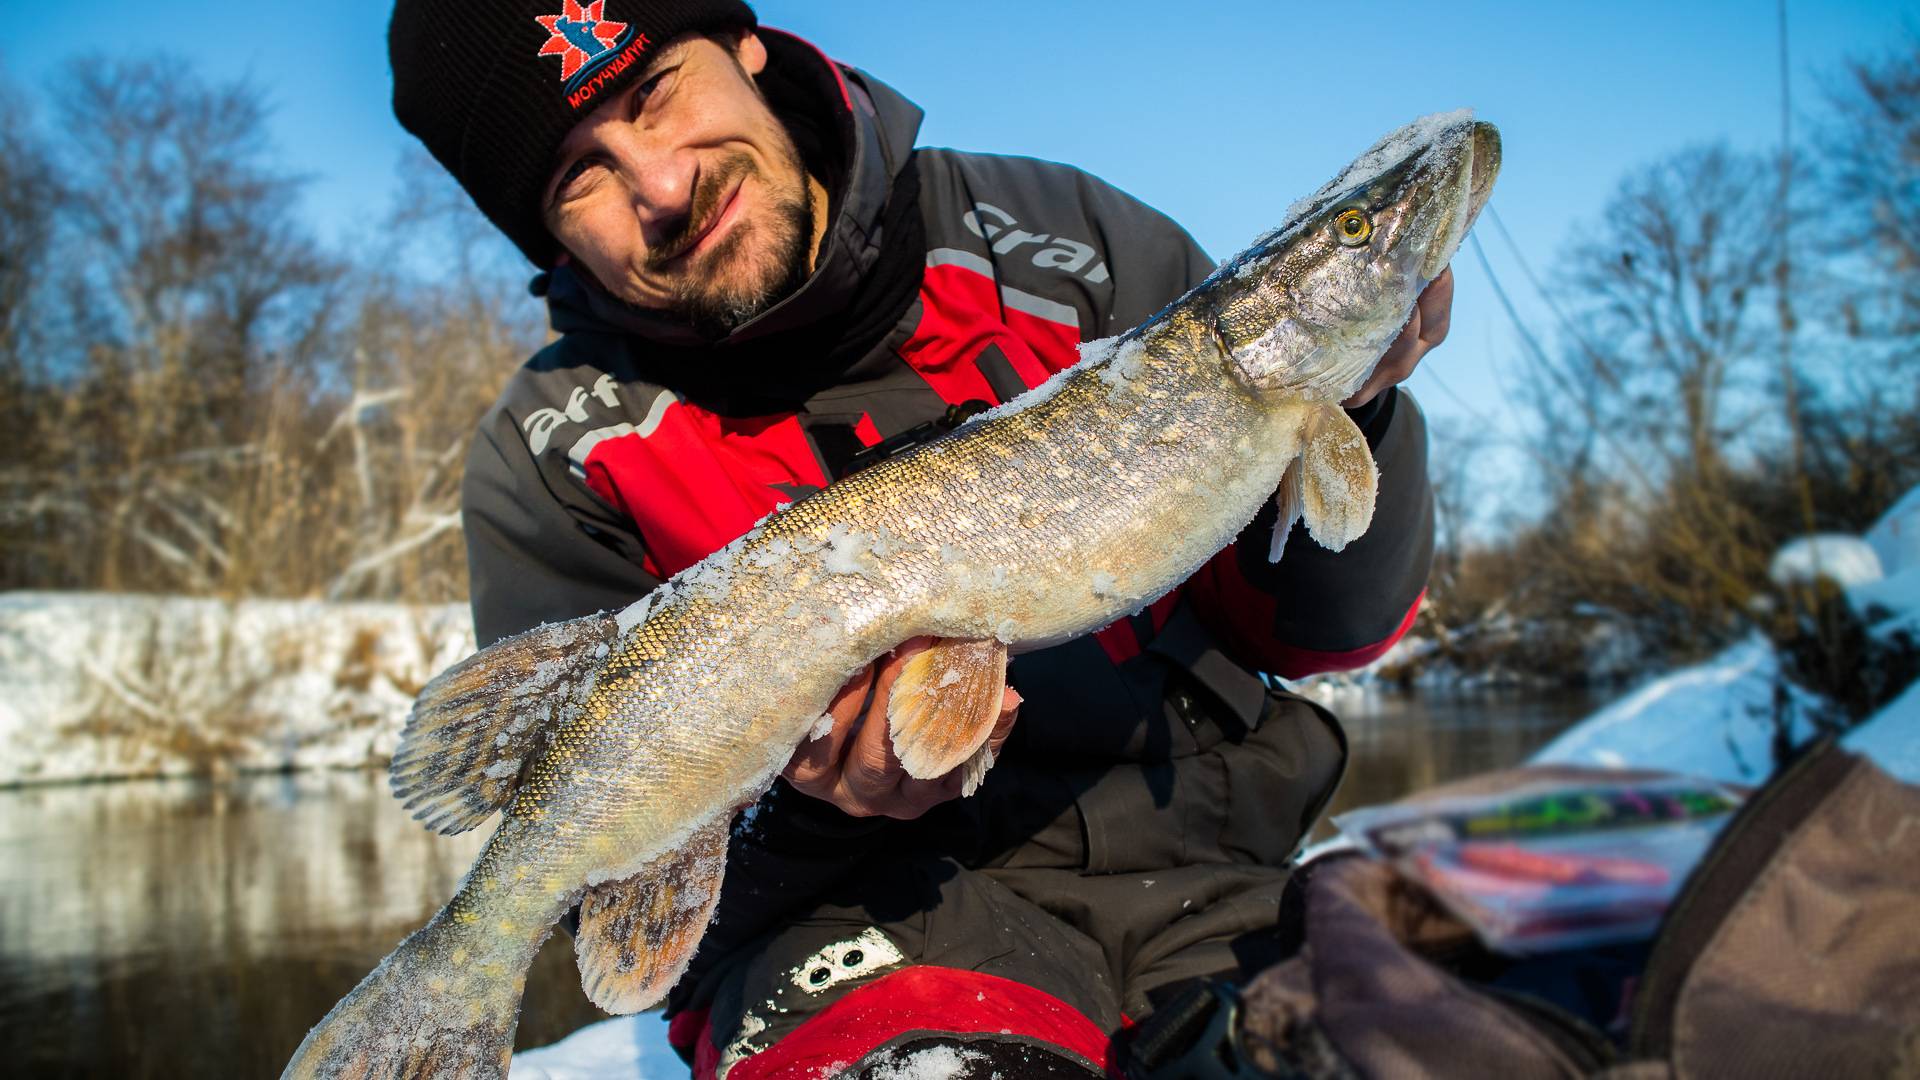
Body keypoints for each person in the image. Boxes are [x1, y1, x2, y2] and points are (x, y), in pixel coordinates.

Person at [389, 1, 1449, 1075]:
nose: (662, 185)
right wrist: (810, 816)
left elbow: (1324, 634)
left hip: (1207, 870)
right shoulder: (555, 450)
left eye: (657, 94)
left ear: (745, 45)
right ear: (544, 231)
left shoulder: (1065, 237)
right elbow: (606, 903)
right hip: (842, 938)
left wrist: (1357, 412)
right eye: (583, 176)